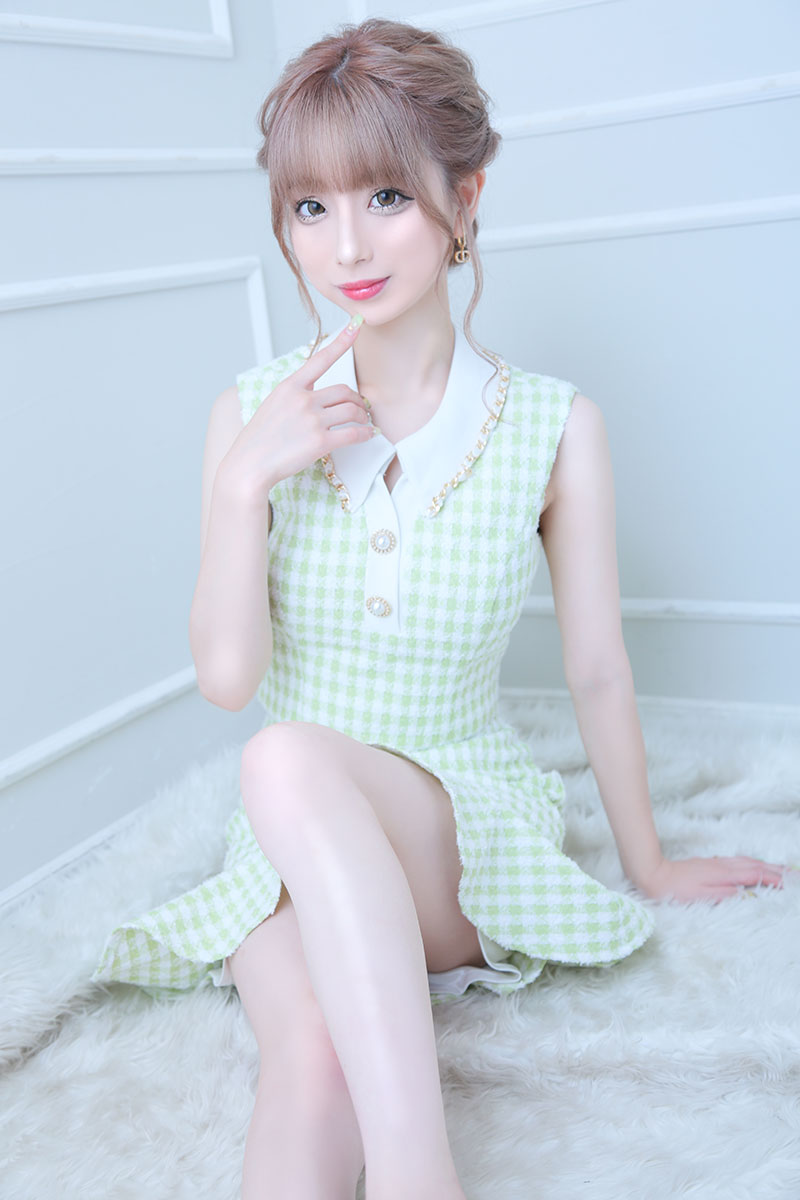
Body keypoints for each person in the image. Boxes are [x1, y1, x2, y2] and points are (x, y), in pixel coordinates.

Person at [91, 17, 792, 1200]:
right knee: (308, 1058)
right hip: (283, 850)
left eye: (384, 197)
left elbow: (597, 667)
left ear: (463, 200)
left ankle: (421, 1176)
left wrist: (648, 861)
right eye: (309, 208)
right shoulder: (250, 417)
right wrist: (240, 483)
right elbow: (226, 677)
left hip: (455, 837)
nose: (345, 245)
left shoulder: (550, 427)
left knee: (280, 757)